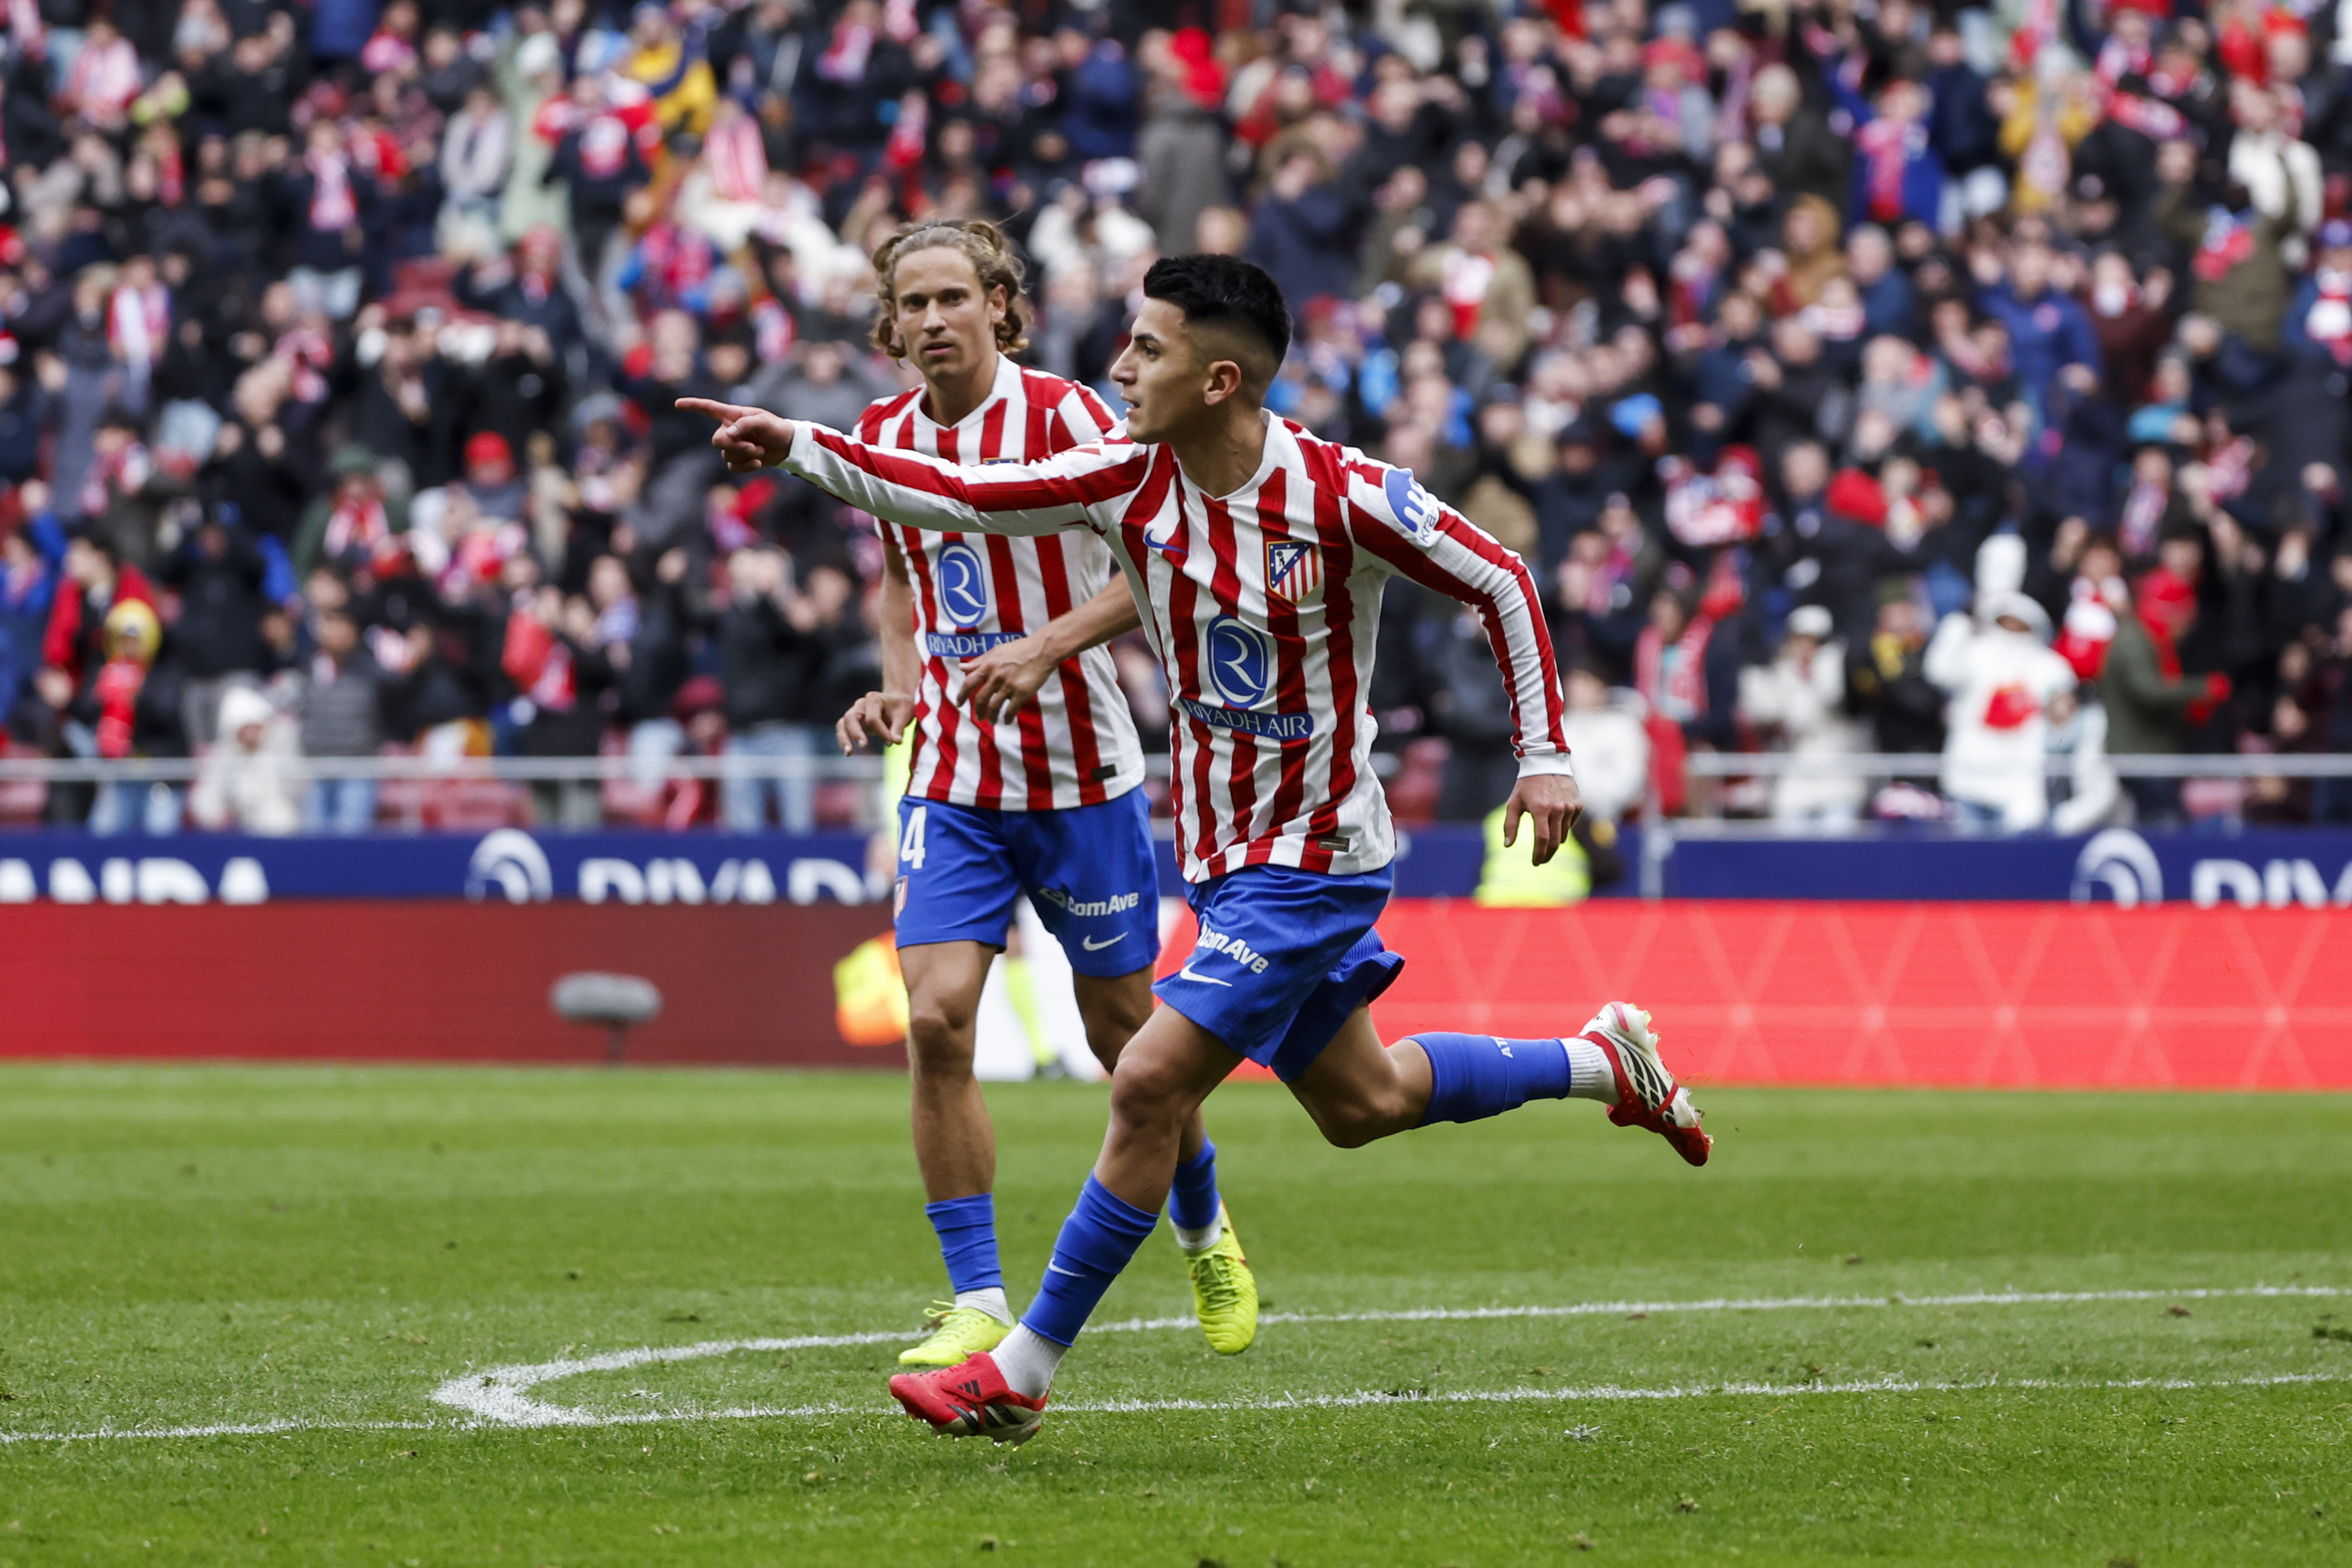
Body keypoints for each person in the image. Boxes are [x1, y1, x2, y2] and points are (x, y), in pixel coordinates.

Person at [682, 253, 1709, 1449]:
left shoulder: (1342, 494)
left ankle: (1019, 1367)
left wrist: (1545, 750)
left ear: (1220, 380)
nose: (1121, 365)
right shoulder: (1126, 475)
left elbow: (1504, 575)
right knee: (1363, 1103)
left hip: (1317, 853)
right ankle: (1603, 1061)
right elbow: (952, 497)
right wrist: (798, 445)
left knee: (1148, 1078)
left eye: (1149, 349)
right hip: (1223, 853)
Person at [821, 220, 1256, 1369]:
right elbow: (900, 578)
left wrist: (1047, 645)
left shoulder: (1070, 416)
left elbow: (1158, 557)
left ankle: (1206, 1225)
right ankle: (974, 1295)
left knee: (1130, 1039)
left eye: (951, 299)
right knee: (932, 1016)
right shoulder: (879, 437)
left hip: (1081, 779)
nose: (930, 323)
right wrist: (900, 688)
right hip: (954, 778)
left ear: (1000, 304)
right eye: (910, 304)